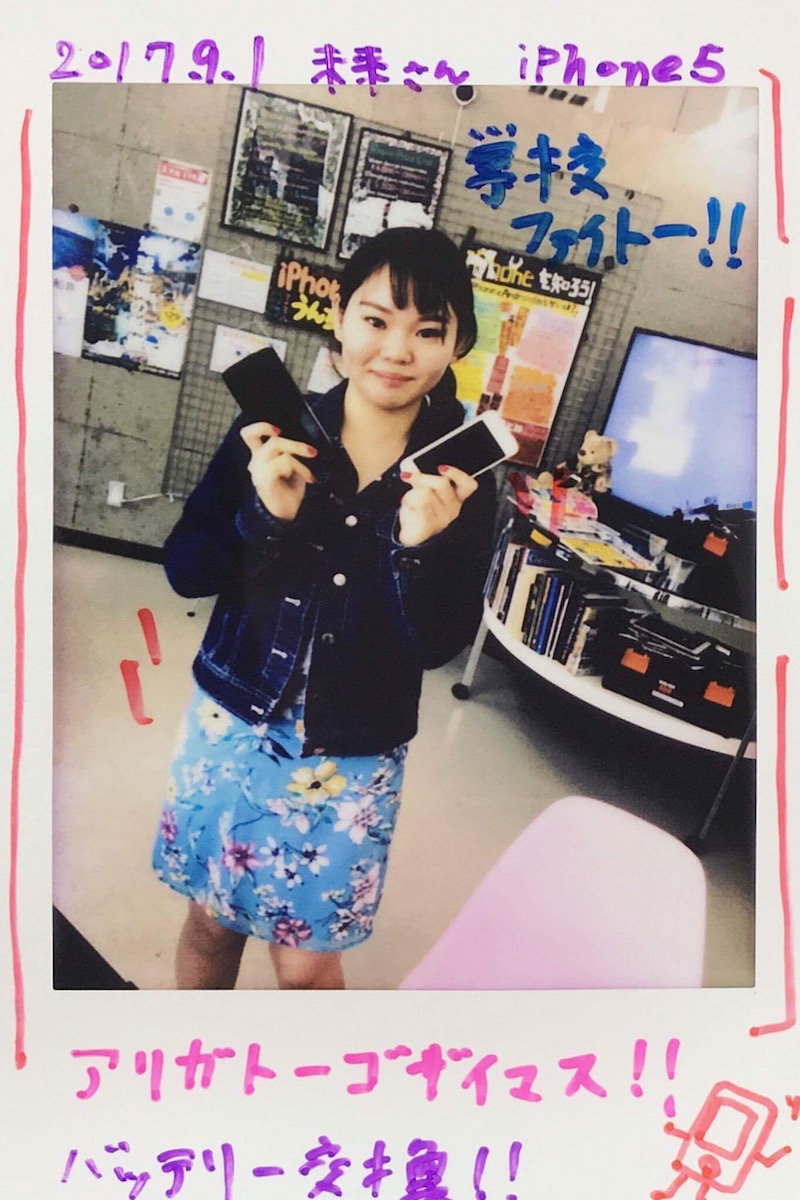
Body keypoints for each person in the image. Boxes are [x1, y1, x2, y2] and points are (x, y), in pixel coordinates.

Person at [152, 227, 497, 990]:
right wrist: (264, 519)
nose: (396, 350)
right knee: (210, 923)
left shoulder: (461, 478)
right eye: (375, 320)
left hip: (355, 748)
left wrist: (417, 549)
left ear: (458, 345)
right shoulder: (272, 431)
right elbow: (184, 570)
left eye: (428, 331)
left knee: (307, 966)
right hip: (233, 718)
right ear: (339, 317)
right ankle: (189, 1062)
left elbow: (439, 644)